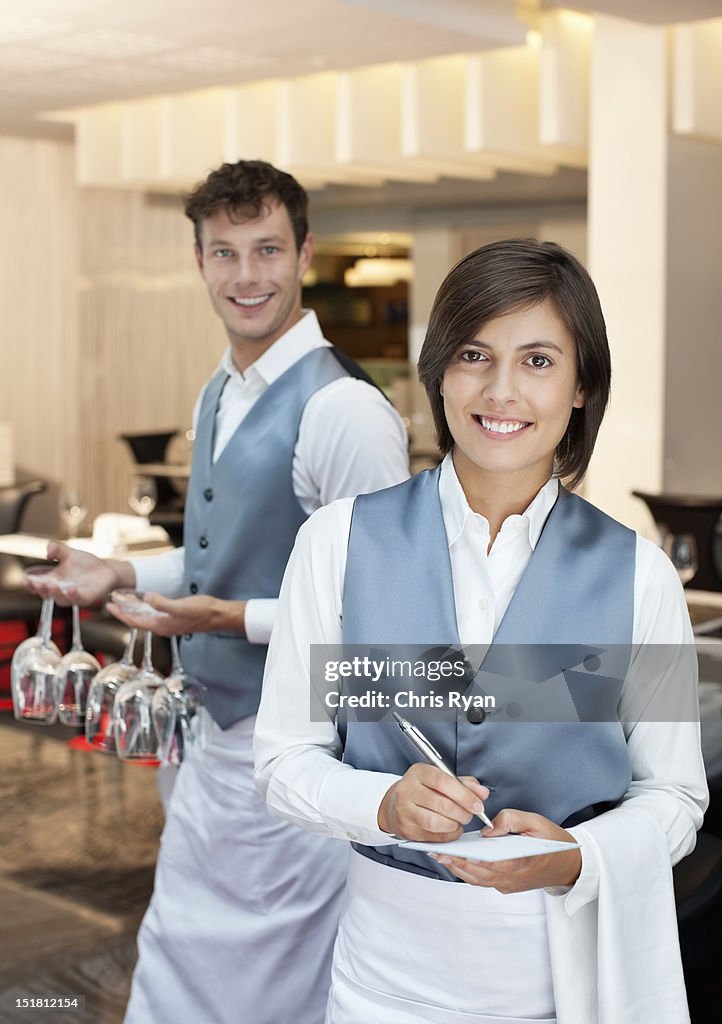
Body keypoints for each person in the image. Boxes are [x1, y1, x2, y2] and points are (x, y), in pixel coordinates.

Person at [254, 238, 708, 1024]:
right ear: (438, 371)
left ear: (580, 387)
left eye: (538, 360)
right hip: (378, 980)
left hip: (564, 980)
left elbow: (672, 796)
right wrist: (382, 803)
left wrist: (576, 855)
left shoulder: (639, 577)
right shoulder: (336, 542)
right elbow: (285, 759)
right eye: (474, 354)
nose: (501, 391)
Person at [25, 160, 409, 1024]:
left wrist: (232, 620)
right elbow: (216, 560)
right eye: (224, 252)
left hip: (292, 744)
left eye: (267, 249)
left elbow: (375, 613)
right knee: (183, 958)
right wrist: (118, 572)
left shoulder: (344, 410)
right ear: (198, 261)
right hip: (209, 735)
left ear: (305, 251)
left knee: (261, 981)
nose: (246, 276)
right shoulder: (222, 389)